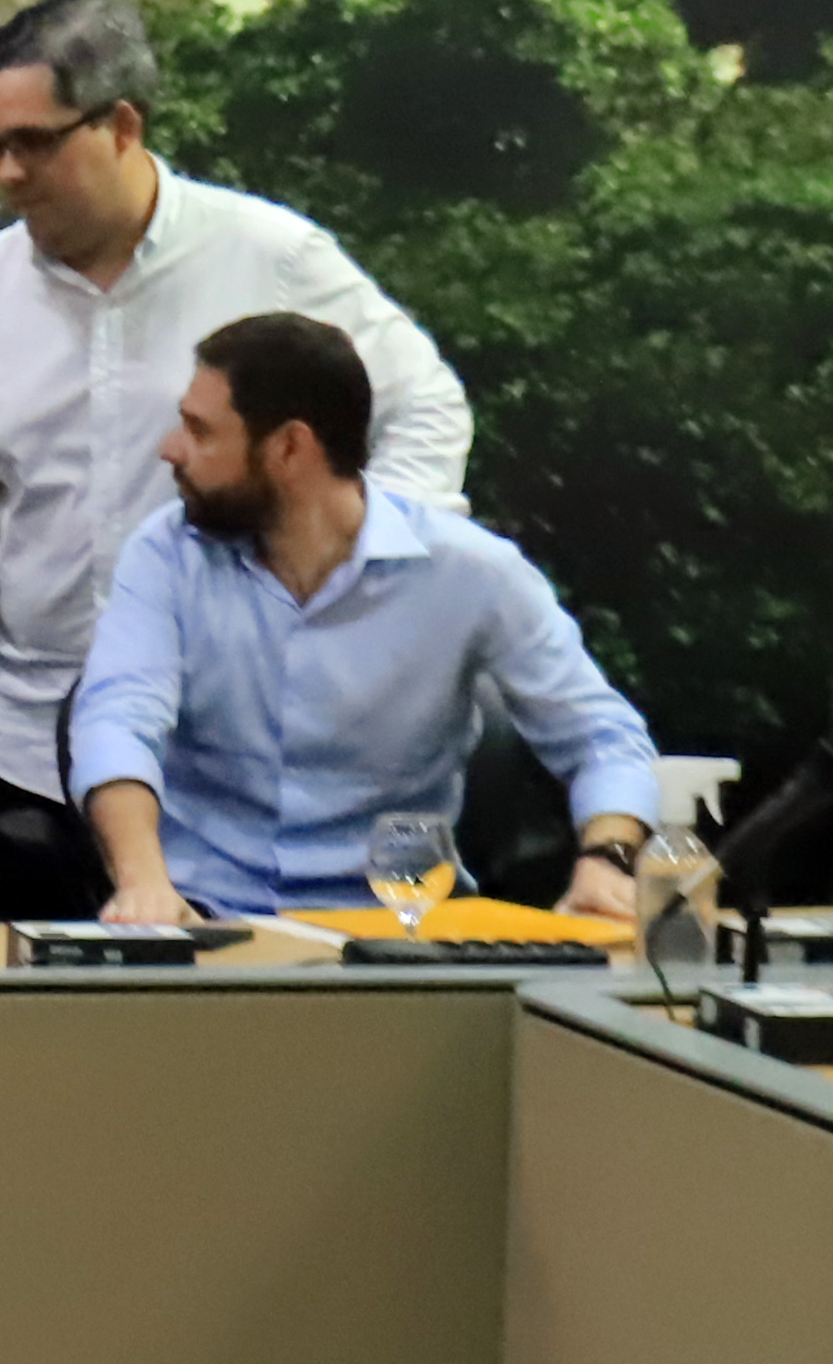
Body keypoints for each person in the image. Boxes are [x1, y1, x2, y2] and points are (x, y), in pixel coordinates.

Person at [0, 0, 471, 920]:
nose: (8, 172)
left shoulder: (270, 257)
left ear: (123, 126)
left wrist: (358, 578)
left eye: (35, 143)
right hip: (22, 751)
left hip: (231, 754)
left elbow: (426, 407)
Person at [71, 314, 653, 927]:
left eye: (199, 431)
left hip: (400, 926)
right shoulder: (164, 553)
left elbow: (601, 736)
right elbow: (118, 719)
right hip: (207, 918)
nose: (170, 448)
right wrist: (144, 886)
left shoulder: (471, 572)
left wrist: (608, 862)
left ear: (290, 448)